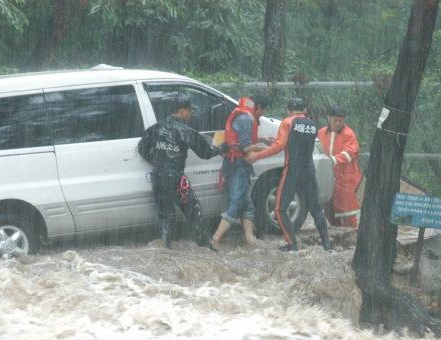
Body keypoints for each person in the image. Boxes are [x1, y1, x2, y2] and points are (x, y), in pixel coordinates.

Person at [138, 93, 230, 250]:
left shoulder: (155, 128)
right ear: (182, 111)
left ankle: (165, 248)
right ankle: (206, 246)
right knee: (194, 211)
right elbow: (205, 153)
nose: (191, 113)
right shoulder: (187, 132)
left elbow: (142, 148)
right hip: (176, 180)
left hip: (158, 177)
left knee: (166, 217)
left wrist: (158, 162)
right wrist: (222, 148)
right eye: (189, 110)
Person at [245, 98, 332, 252]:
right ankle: (327, 245)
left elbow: (279, 146)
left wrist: (257, 156)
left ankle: (292, 244)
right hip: (309, 170)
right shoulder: (312, 125)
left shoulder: (287, 122)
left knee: (279, 209)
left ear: (288, 111)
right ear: (305, 110)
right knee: (316, 208)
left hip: (293, 169)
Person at [212, 92, 274, 244]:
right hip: (237, 166)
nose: (263, 113)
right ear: (258, 107)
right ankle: (215, 239)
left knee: (247, 203)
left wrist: (262, 140)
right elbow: (246, 147)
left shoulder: (243, 116)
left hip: (236, 164)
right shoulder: (246, 119)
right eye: (264, 110)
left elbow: (241, 139)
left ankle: (249, 238)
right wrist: (270, 149)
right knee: (238, 202)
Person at [317, 105, 362, 228]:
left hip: (346, 177)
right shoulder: (321, 133)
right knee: (330, 211)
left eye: (341, 121)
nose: (338, 123)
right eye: (335, 120)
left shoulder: (349, 134)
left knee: (348, 211)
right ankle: (339, 235)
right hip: (329, 176)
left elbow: (350, 153)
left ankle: (352, 235)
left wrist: (332, 160)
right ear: (328, 118)